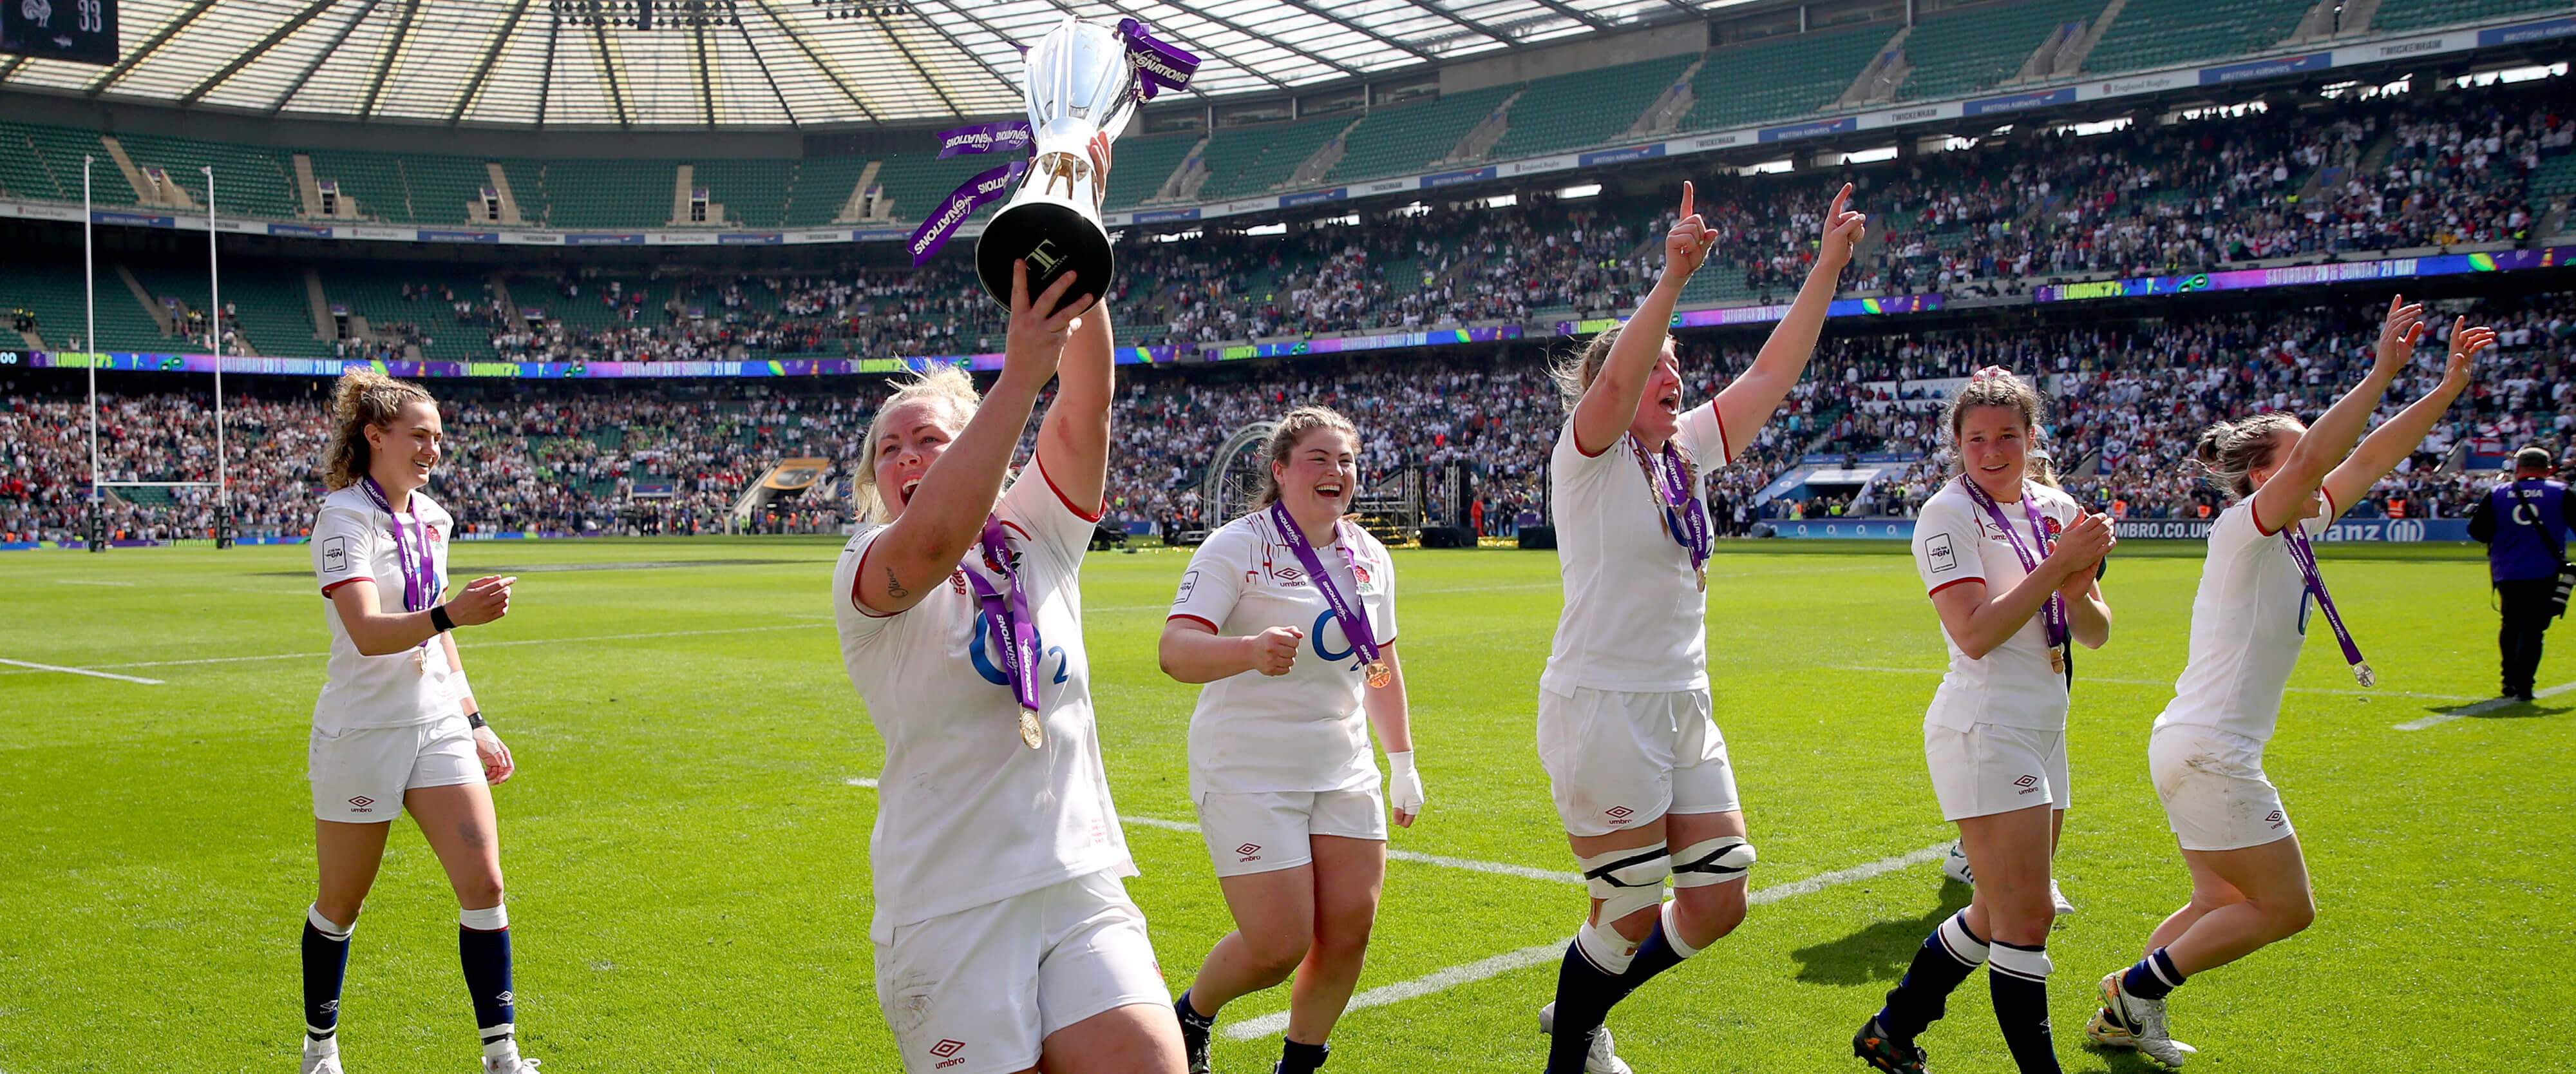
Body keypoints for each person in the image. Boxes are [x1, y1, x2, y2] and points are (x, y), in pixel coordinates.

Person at [2086, 300, 2491, 1067]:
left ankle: (2124, 1012)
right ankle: (2136, 989)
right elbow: (2322, 463)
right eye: (2304, 454)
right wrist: (2380, 372)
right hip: (2209, 749)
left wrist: (2443, 390)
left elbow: (2368, 458)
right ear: (2263, 474)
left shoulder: (2299, 525)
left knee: (2217, 902)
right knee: (2286, 908)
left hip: (2191, 742)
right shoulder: (2243, 528)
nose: (2323, 464)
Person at [1535, 180, 1866, 1074]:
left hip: (1683, 698)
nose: (1673, 376)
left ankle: (1583, 1003)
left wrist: (1828, 267)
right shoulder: (1591, 455)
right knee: (1630, 907)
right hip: (1603, 701)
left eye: (1679, 366)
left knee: (1720, 899)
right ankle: (1570, 1051)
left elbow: (1769, 374)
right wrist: (1672, 279)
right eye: (1659, 366)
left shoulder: (1686, 453)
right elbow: (1612, 378)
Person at [832, 265, 1184, 1074]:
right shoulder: (868, 567)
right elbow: (929, 541)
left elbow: (1086, 401)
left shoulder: (1039, 529)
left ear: (983, 447)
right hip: (949, 902)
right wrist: (1022, 370)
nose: (907, 454)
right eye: (889, 448)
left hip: (1074, 878)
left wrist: (1076, 238)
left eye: (930, 439)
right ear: (873, 481)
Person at [1855, 369, 2115, 1074]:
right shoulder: (1946, 514)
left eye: (2007, 435)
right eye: (1977, 439)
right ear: (1957, 444)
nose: (1992, 450)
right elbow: (1972, 632)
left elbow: (2092, 631)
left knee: (2000, 911)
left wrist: (2073, 575)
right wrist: (2057, 565)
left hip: (2044, 723)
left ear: (2032, 438)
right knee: (2027, 917)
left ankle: (1891, 1027)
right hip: (1984, 725)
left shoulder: (2057, 505)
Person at [1160, 405, 1425, 1074]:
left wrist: (1402, 760)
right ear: (1280, 472)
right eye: (1319, 458)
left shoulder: (1370, 555)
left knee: (1346, 933)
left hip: (1341, 765)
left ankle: (1298, 1067)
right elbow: (1175, 650)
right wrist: (1247, 650)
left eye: (1347, 460)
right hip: (1248, 766)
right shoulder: (1236, 544)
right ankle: (1190, 1014)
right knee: (1278, 943)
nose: (1336, 470)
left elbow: (1379, 662)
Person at [300, 369, 529, 1074]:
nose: (433, 447)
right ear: (375, 436)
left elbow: (435, 634)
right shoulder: (341, 516)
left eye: (438, 436)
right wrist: (451, 611)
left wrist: (476, 717)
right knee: (343, 900)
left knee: (485, 883)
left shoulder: (435, 518)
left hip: (435, 722)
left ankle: (502, 1054)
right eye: (418, 435)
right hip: (363, 730)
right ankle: (320, 1048)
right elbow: (368, 631)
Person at [2467, 445, 2569, 700]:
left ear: (2518, 468)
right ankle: (2525, 686)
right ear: (2548, 469)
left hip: (2507, 572)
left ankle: (2508, 682)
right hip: (2543, 571)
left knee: (2510, 625)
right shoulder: (2561, 493)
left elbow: (2477, 531)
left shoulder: (2498, 493)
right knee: (2533, 630)